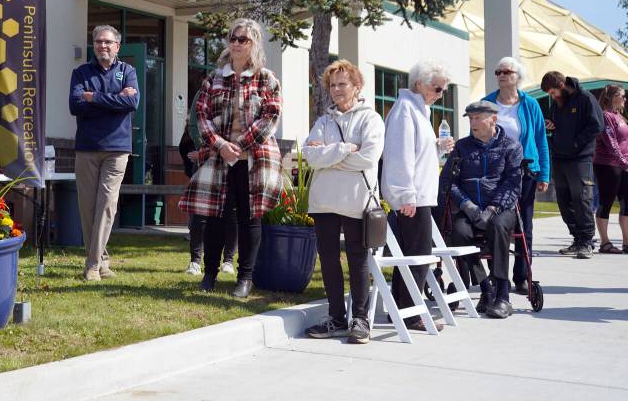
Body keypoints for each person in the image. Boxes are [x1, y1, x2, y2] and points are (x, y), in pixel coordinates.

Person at [179, 18, 282, 299]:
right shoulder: (213, 78)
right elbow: (200, 116)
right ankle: (209, 274)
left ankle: (245, 278)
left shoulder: (266, 79)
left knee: (250, 219)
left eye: (243, 39)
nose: (236, 44)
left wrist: (239, 143)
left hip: (255, 160)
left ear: (254, 44)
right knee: (214, 216)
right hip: (219, 158)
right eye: (233, 38)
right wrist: (221, 144)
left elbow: (270, 117)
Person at [302, 60, 385, 344]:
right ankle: (336, 318)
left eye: (343, 84)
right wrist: (346, 148)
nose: (337, 89)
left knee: (357, 260)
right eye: (333, 85)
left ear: (356, 86)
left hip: (356, 200)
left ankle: (360, 320)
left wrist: (329, 157)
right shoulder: (323, 121)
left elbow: (369, 157)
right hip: (324, 201)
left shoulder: (371, 119)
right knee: (328, 261)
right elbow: (311, 157)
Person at [381, 59, 453, 332]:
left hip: (419, 195)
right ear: (420, 84)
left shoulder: (418, 109)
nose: (440, 94)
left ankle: (403, 311)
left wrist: (437, 147)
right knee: (418, 256)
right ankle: (410, 313)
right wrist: (405, 195)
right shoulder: (405, 110)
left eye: (443, 90)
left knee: (412, 255)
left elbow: (417, 153)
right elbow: (399, 156)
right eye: (437, 89)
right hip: (413, 198)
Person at [68, 25, 139, 281]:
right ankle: (103, 260)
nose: (103, 46)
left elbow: (131, 103)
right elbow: (74, 105)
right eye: (98, 42)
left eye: (108, 42)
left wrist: (93, 98)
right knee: (88, 208)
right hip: (87, 147)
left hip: (118, 149)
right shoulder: (81, 72)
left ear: (117, 46)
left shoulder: (128, 71)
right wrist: (112, 99)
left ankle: (92, 265)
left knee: (107, 205)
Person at [442, 101, 522, 319]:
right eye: (470, 118)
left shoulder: (511, 146)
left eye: (477, 118)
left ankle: (503, 296)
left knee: (497, 227)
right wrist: (467, 205)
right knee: (459, 232)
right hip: (469, 208)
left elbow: (512, 183)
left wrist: (493, 209)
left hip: (500, 208)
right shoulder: (462, 146)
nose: (473, 122)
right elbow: (449, 180)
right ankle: (486, 287)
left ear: (493, 119)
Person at [482, 57, 550, 294]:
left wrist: (544, 173)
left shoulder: (530, 104)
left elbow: (541, 139)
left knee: (524, 225)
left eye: (506, 71)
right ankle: (496, 274)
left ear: (517, 76)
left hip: (525, 171)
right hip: (494, 172)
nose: (501, 74)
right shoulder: (487, 103)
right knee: (494, 223)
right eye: (498, 71)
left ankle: (522, 276)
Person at [541, 71, 604, 259]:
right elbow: (561, 126)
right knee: (564, 201)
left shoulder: (585, 98)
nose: (552, 97)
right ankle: (577, 239)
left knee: (581, 199)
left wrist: (576, 143)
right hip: (560, 158)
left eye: (553, 93)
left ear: (562, 85)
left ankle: (587, 242)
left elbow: (597, 125)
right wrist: (551, 125)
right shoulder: (558, 104)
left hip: (580, 158)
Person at [179, 114, 237, 276]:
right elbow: (196, 126)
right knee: (199, 213)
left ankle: (228, 260)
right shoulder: (205, 94)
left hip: (232, 160)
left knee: (232, 214)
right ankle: (195, 261)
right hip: (206, 163)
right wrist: (204, 151)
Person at [593, 84, 628, 254]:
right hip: (607, 165)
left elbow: (625, 144)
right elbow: (611, 144)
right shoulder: (606, 116)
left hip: (623, 165)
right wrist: (625, 164)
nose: (625, 99)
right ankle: (605, 243)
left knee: (627, 203)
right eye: (622, 96)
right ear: (611, 97)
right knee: (606, 203)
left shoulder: (618, 116)